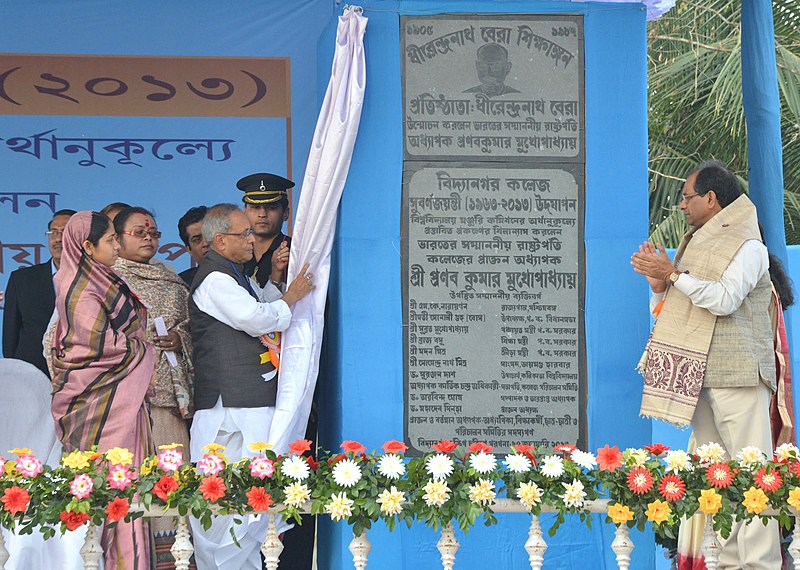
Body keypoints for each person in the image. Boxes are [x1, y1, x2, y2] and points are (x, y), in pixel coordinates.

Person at [632, 160, 781, 569]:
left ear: (711, 199)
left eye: (687, 197)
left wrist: (674, 276)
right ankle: (729, 562)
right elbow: (674, 309)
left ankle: (760, 564)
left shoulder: (748, 246)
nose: (681, 205)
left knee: (753, 475)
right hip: (700, 377)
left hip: (739, 376)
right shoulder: (695, 244)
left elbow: (724, 299)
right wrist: (660, 285)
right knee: (718, 474)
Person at [187, 203, 314, 570]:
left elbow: (260, 306)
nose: (251, 239)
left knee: (253, 498)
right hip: (231, 406)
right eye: (243, 234)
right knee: (224, 501)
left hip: (247, 401)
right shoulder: (214, 278)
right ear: (220, 240)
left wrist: (278, 285)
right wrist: (292, 296)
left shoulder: (234, 273)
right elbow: (254, 318)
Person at [50, 211, 155, 570]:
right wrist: (146, 348)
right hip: (96, 404)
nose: (116, 245)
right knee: (106, 492)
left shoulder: (104, 279)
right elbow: (97, 348)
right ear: (88, 247)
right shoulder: (77, 288)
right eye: (111, 240)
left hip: (120, 400)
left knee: (128, 489)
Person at [3, 209, 76, 376]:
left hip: (80, 375)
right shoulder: (21, 279)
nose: (57, 239)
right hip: (32, 374)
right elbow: (10, 337)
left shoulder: (95, 280)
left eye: (65, 233)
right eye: (53, 232)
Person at [239, 172, 293, 288]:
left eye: (271, 208)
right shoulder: (235, 251)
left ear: (285, 213)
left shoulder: (296, 252)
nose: (262, 214)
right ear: (244, 211)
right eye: (255, 207)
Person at [177, 205, 209, 285]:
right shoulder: (181, 284)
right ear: (189, 249)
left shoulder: (244, 272)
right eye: (197, 240)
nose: (205, 243)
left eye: (209, 235)